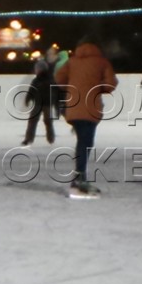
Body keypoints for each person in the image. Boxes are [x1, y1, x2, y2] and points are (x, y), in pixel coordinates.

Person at [56, 38, 117, 196]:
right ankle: (80, 177)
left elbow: (58, 78)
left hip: (73, 107)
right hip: (91, 108)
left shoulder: (72, 61)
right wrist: (98, 87)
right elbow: (111, 84)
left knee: (82, 141)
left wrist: (72, 87)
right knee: (86, 142)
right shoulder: (102, 62)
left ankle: (79, 175)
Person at [20, 51, 57, 146]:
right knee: (33, 121)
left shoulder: (49, 79)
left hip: (46, 103)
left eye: (37, 69)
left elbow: (55, 91)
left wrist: (56, 101)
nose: (36, 70)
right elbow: (31, 91)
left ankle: (50, 138)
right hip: (38, 103)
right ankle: (29, 139)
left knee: (47, 121)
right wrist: (27, 99)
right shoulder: (37, 80)